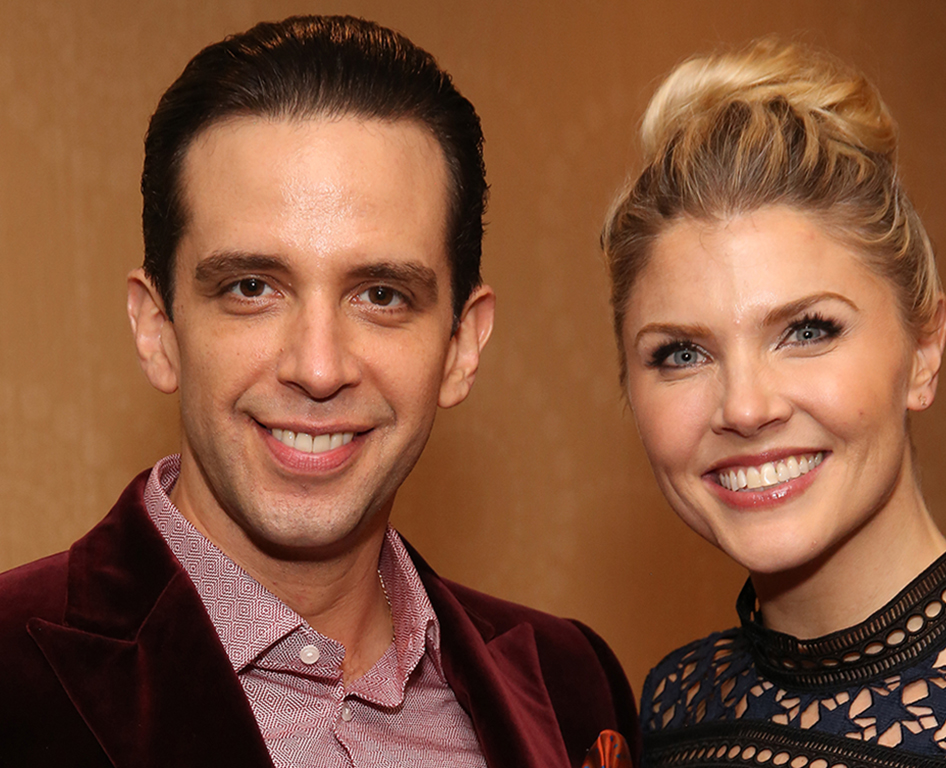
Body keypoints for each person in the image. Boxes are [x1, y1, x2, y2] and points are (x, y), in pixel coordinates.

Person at [0, 15, 638, 767]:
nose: (318, 365)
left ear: (462, 346)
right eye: (251, 287)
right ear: (158, 328)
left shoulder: (573, 688)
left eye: (381, 295)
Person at [601, 39, 946, 767]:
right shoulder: (669, 707)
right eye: (682, 353)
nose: (745, 406)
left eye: (806, 330)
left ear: (924, 350)